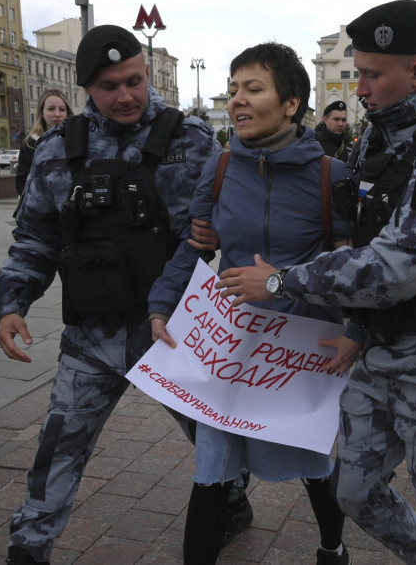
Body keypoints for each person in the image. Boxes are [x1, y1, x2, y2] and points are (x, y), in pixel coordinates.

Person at [216, 0, 416, 564]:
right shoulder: (382, 138)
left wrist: (282, 283)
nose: (361, 86)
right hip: (381, 351)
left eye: (371, 74)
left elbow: (395, 267)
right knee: (352, 490)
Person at [0, 25, 224, 565]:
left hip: (171, 332)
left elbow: (225, 224)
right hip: (91, 334)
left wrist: (220, 236)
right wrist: (12, 303)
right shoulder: (57, 150)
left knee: (213, 438)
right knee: (60, 446)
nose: (125, 95)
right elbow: (34, 238)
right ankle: (29, 547)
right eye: (108, 85)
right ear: (86, 89)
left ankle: (229, 501)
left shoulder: (191, 141)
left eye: (135, 80)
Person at [149, 43, 354, 565]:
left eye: (253, 88)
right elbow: (197, 247)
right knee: (211, 469)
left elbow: (353, 270)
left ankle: (333, 549)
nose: (238, 99)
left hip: (301, 353)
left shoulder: (333, 177)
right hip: (232, 347)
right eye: (234, 88)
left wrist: (355, 329)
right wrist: (161, 304)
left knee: (313, 466)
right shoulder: (219, 169)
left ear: (291, 103)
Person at [14, 89, 73, 196]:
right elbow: (21, 181)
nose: (57, 114)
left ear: (67, 112)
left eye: (62, 109)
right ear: (41, 112)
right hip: (41, 208)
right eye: (51, 109)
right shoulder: (30, 144)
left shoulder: (77, 139)